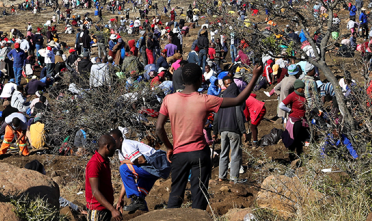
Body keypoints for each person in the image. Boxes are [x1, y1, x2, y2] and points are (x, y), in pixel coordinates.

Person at [155, 62, 262, 210]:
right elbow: (238, 100)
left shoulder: (169, 99)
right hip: (199, 153)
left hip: (179, 154)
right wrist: (255, 76)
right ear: (200, 79)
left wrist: (169, 147)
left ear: (182, 80)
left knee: (175, 195)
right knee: (199, 197)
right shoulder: (205, 100)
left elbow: (159, 128)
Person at [109, 129, 170, 214]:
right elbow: (125, 177)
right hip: (149, 170)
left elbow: (141, 160)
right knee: (138, 196)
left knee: (123, 168)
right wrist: (120, 198)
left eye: (114, 140)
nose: (113, 143)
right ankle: (143, 213)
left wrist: (124, 162)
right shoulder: (120, 152)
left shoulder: (126, 145)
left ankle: (138, 202)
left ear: (120, 139)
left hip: (155, 166)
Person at [214, 75, 246, 182]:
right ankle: (234, 178)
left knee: (223, 153)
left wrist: (215, 131)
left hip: (223, 130)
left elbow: (216, 116)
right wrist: (243, 130)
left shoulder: (221, 98)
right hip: (234, 129)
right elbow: (239, 115)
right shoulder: (237, 97)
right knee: (235, 154)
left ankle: (221, 177)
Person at [85, 134, 122, 221]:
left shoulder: (104, 161)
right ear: (107, 146)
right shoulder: (95, 163)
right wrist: (112, 210)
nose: (115, 149)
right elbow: (95, 191)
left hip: (105, 208)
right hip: (97, 211)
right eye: (114, 146)